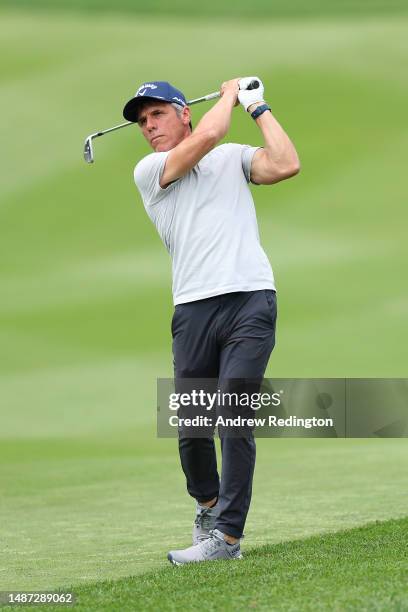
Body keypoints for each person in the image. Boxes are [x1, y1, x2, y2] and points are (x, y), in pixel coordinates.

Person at [122, 77, 300, 565]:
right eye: (142, 121)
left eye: (157, 114)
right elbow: (207, 139)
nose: (148, 127)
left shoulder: (232, 157)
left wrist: (256, 104)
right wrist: (227, 96)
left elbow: (286, 163)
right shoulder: (151, 169)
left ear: (183, 112)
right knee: (192, 428)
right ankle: (208, 503)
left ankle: (227, 538)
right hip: (193, 308)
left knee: (234, 417)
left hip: (250, 300)